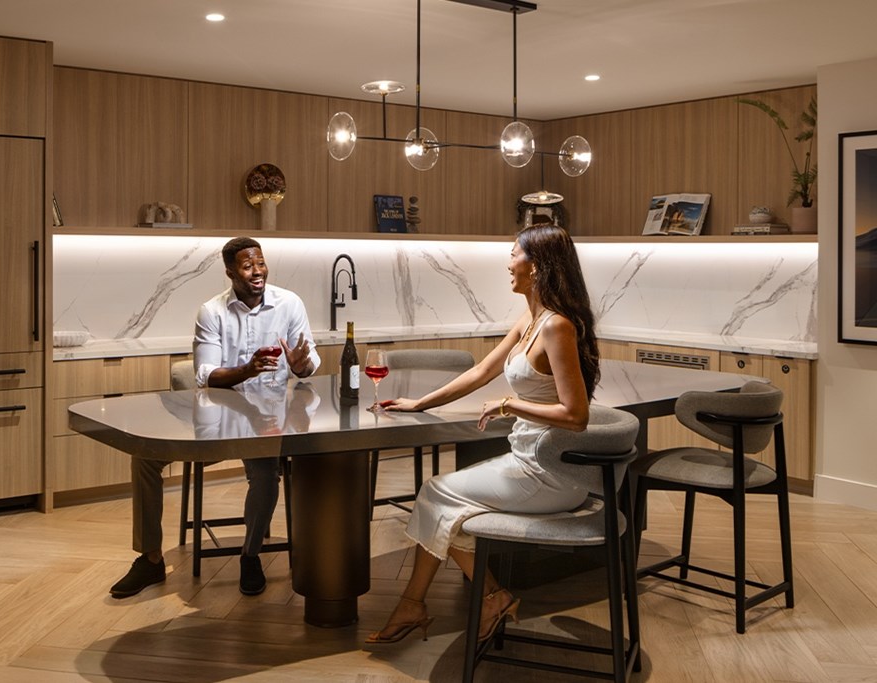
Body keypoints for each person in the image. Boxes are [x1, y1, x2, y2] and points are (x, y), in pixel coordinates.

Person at [366, 224, 600, 644]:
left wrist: (509, 405)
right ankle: (426, 603)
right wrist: (420, 403)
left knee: (435, 494)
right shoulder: (530, 320)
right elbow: (479, 372)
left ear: (538, 265)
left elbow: (576, 415)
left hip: (553, 474)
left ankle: (480, 597)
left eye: (514, 253)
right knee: (444, 504)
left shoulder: (556, 327)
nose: (508, 262)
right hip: (527, 461)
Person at [110, 236, 320, 599]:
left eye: (261, 263)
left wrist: (303, 366)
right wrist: (247, 370)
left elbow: (308, 358)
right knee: (145, 458)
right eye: (247, 266)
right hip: (216, 419)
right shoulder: (212, 311)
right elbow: (205, 375)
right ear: (230, 272)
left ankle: (250, 555)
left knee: (267, 476)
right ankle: (151, 558)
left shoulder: (290, 304)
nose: (258, 272)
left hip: (268, 420)